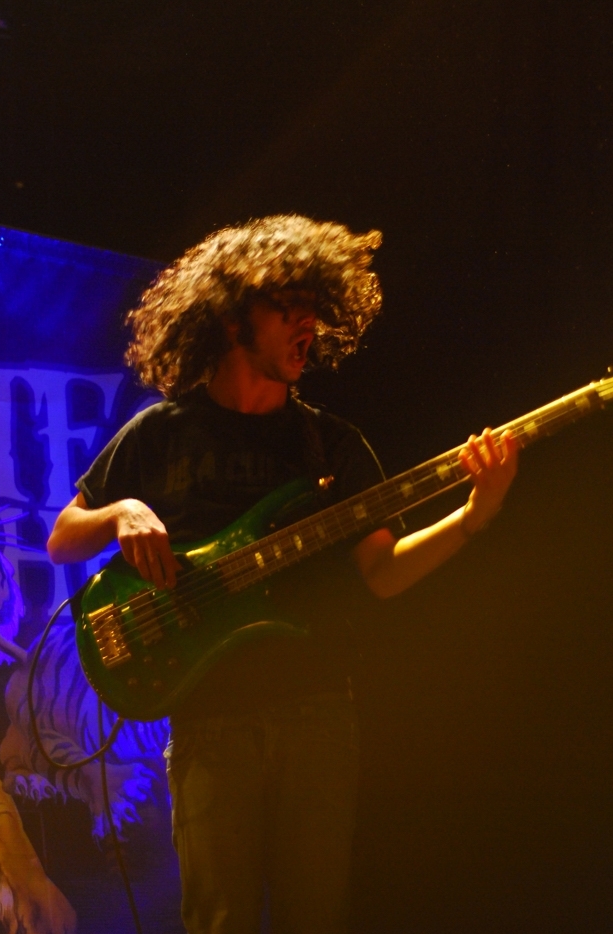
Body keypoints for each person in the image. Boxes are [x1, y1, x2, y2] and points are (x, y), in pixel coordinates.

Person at [48, 215, 517, 934]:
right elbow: (61, 539)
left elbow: (381, 572)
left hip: (317, 714)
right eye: (289, 307)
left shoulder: (330, 443)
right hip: (209, 720)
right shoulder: (160, 433)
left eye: (314, 310)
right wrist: (122, 513)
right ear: (234, 317)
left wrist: (475, 514)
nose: (309, 326)